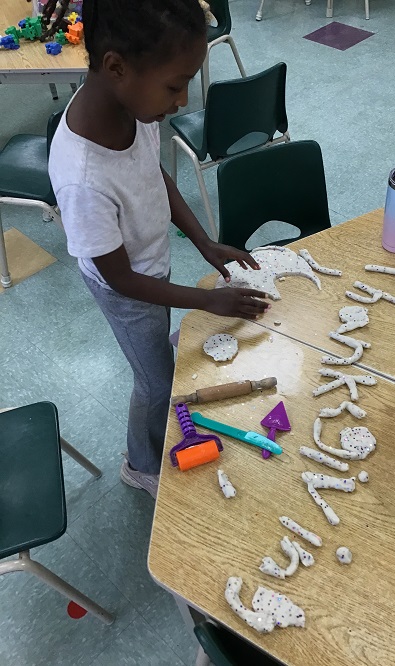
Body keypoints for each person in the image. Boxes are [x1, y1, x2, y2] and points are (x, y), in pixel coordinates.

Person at [49, 0, 270, 499]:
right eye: (175, 85)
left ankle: (161, 346)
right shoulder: (83, 177)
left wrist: (204, 242)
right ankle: (140, 462)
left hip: (147, 265)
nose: (182, 99)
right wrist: (207, 301)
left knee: (159, 345)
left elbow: (156, 176)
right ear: (116, 67)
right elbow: (122, 279)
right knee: (153, 383)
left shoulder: (133, 106)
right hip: (125, 289)